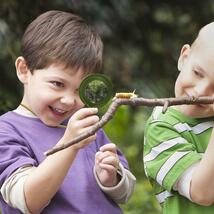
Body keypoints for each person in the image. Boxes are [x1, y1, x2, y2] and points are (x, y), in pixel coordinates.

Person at [0, 10, 136, 214]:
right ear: (24, 70)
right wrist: (69, 144)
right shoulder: (7, 130)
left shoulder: (87, 125)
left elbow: (124, 193)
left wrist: (111, 177)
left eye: (79, 90)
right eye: (57, 84)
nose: (69, 100)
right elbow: (27, 200)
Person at [143, 22, 214, 214]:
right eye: (198, 73)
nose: (200, 92)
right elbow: (202, 192)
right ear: (184, 58)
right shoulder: (162, 127)